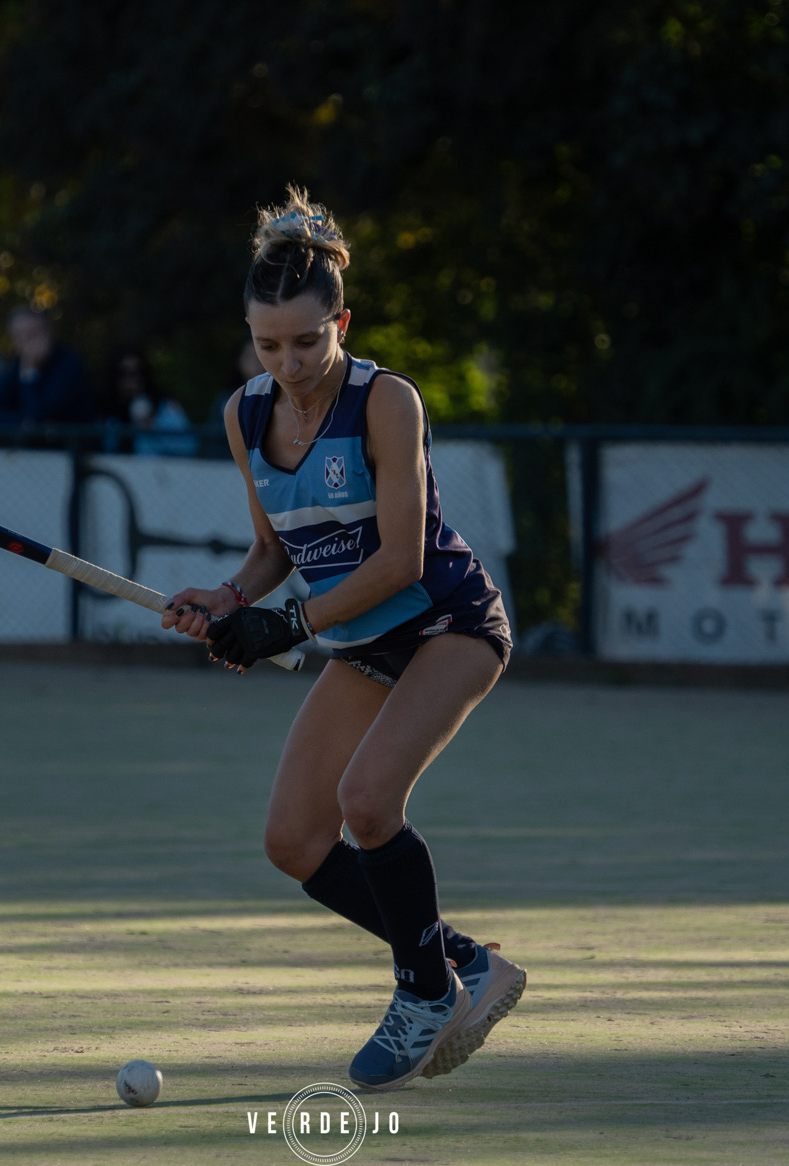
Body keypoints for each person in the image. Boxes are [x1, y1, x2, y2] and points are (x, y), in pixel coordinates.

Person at [161, 188, 523, 1091]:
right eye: (267, 343)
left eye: (306, 342)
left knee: (367, 801)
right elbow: (275, 547)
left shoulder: (385, 403)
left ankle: (423, 992)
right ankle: (464, 963)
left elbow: (400, 560)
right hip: (360, 641)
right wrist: (228, 596)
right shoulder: (246, 415)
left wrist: (279, 623)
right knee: (294, 838)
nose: (287, 363)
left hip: (446, 624)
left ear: (342, 323)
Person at [0, 307, 96, 428]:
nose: (27, 340)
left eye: (33, 334)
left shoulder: (69, 365)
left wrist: (30, 373)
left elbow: (39, 417)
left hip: (72, 445)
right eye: (19, 335)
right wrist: (22, 422)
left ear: (49, 332)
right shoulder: (16, 365)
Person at [113, 347, 197, 456]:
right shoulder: (107, 413)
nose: (131, 380)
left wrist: (154, 427)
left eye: (137, 372)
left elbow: (190, 445)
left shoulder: (165, 408)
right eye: (123, 373)